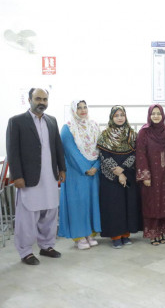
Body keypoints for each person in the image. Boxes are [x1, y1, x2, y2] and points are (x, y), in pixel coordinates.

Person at [6, 88, 66, 265]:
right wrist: (16, 175)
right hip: (28, 178)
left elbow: (58, 147)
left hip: (50, 177)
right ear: (29, 99)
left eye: (45, 99)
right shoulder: (16, 121)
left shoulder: (52, 121)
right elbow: (12, 151)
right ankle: (25, 252)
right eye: (38, 98)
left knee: (50, 212)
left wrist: (62, 169)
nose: (42, 102)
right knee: (28, 216)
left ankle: (47, 246)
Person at [97, 105, 142, 249]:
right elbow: (104, 155)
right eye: (116, 115)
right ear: (112, 117)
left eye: (122, 115)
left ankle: (126, 234)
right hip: (110, 176)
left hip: (128, 173)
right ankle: (115, 236)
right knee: (114, 206)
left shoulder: (132, 134)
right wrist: (118, 173)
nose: (120, 118)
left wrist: (123, 169)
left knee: (127, 205)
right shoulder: (104, 135)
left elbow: (135, 154)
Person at [59, 100, 101, 250]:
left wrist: (96, 166)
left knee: (91, 203)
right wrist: (85, 168)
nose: (83, 110)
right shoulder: (68, 128)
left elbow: (100, 148)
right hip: (76, 174)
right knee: (78, 204)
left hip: (93, 172)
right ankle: (79, 236)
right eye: (79, 108)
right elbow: (71, 152)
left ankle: (90, 233)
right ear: (73, 110)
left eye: (85, 107)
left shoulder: (94, 125)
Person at [136, 104, 165, 246]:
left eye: (158, 113)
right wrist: (145, 175)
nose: (156, 116)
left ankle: (162, 231)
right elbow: (140, 155)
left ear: (163, 115)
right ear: (149, 115)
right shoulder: (144, 132)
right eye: (153, 113)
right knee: (151, 204)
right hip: (151, 174)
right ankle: (153, 233)